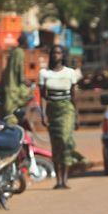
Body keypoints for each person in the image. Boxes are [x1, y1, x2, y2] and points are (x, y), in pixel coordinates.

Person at [39, 45, 79, 189]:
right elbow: (42, 97)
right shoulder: (44, 73)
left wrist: (77, 116)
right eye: (54, 53)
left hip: (67, 109)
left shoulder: (70, 73)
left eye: (59, 53)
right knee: (55, 144)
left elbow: (74, 96)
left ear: (63, 55)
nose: (56, 55)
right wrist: (43, 114)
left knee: (64, 139)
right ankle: (59, 180)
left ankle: (66, 177)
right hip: (52, 109)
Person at [1, 33, 33, 124]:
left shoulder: (14, 51)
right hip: (14, 86)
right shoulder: (20, 52)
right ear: (25, 42)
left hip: (9, 85)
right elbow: (19, 70)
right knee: (12, 113)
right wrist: (25, 80)